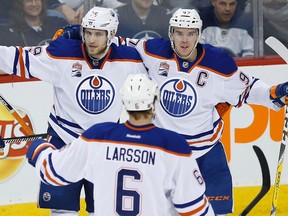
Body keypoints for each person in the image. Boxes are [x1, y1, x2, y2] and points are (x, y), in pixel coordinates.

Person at [59, 7, 288, 215]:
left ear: (199, 34)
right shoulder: (153, 51)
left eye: (190, 33)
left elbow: (248, 89)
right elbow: (114, 40)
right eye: (179, 33)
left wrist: (275, 92)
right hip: (165, 156)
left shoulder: (219, 64)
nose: (184, 40)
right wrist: (77, 34)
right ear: (171, 33)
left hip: (207, 156)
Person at [0, 6, 148, 216]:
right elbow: (11, 57)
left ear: (112, 35)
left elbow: (165, 70)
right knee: (61, 211)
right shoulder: (61, 54)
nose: (92, 39)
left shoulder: (129, 59)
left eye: (98, 34)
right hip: (63, 142)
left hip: (104, 148)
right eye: (88, 32)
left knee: (103, 210)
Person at [26, 73, 216, 215]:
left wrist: (39, 149)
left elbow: (52, 172)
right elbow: (194, 209)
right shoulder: (174, 146)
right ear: (154, 101)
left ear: (124, 101)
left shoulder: (98, 137)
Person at [0, 0, 68, 46]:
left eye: (37, 0)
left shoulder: (58, 23)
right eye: (29, 1)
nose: (34, 4)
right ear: (20, 4)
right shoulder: (10, 32)